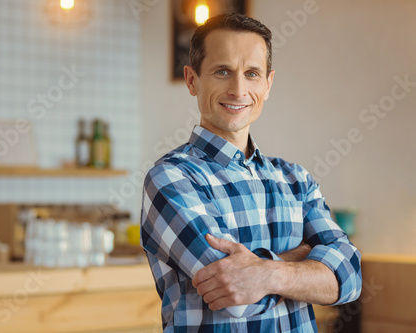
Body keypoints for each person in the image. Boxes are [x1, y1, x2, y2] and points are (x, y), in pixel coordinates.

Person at [140, 13, 361, 332]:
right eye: (222, 71)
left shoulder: (296, 179)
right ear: (192, 80)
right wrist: (308, 256)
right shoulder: (170, 178)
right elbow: (236, 294)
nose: (238, 89)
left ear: (267, 84)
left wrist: (268, 272)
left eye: (252, 73)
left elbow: (350, 277)